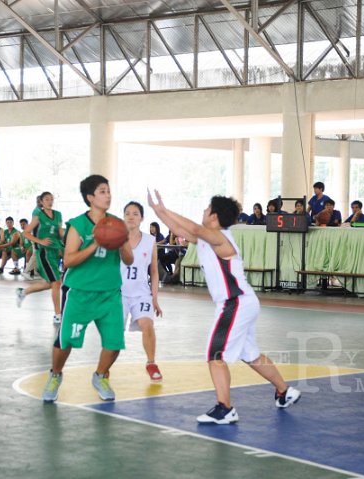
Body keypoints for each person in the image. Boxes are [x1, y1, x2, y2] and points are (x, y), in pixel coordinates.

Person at [148, 191, 300, 424]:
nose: (203, 212)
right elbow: (183, 231)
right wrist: (160, 212)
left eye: (207, 209)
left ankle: (225, 408)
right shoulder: (209, 238)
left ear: (215, 217)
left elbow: (196, 230)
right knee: (250, 355)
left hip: (235, 303)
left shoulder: (221, 238)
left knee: (215, 354)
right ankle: (284, 391)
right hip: (243, 303)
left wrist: (165, 210)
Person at [41, 175, 133, 403]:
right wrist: (94, 244)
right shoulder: (78, 225)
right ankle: (55, 375)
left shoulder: (117, 225)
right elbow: (69, 260)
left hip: (110, 293)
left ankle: (100, 375)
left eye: (108, 191)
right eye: (102, 191)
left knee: (114, 344)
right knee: (66, 342)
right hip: (79, 293)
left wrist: (120, 243)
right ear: (90, 197)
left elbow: (129, 260)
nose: (108, 195)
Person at [121, 201, 164, 382]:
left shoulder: (150, 241)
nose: (131, 216)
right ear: (123, 217)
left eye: (135, 213)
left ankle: (151, 362)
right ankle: (104, 369)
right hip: (119, 293)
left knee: (148, 325)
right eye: (128, 213)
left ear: (142, 218)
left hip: (141, 293)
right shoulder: (116, 240)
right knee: (114, 333)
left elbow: (153, 271)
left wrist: (154, 298)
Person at [16, 192, 65, 324]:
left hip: (56, 251)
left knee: (51, 283)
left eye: (51, 199)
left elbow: (60, 232)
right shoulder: (38, 215)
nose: (50, 201)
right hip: (44, 252)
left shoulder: (58, 214)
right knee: (56, 283)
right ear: (41, 202)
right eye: (47, 199)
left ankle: (23, 292)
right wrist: (40, 241)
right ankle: (58, 315)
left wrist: (70, 235)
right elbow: (25, 233)